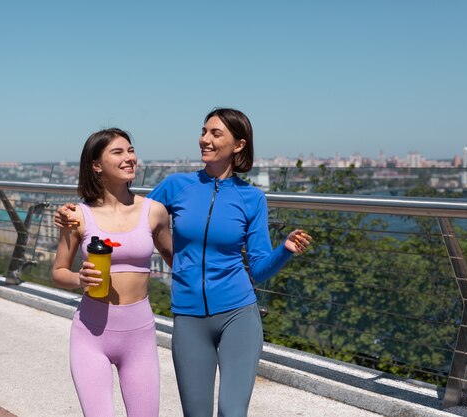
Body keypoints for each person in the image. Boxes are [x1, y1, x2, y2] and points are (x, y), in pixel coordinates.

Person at [55, 108, 312, 417]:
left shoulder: (252, 198)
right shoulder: (176, 186)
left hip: (238, 312)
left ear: (239, 145)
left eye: (215, 134)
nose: (204, 139)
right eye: (203, 131)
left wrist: (284, 250)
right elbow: (127, 213)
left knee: (232, 411)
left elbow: (258, 269)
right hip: (189, 316)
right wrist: (73, 214)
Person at [51, 127, 173, 417]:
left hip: (139, 336)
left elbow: (178, 259)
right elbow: (58, 272)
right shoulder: (77, 216)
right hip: (91, 336)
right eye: (118, 152)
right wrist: (79, 279)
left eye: (131, 150)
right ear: (96, 165)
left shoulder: (154, 211)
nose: (129, 157)